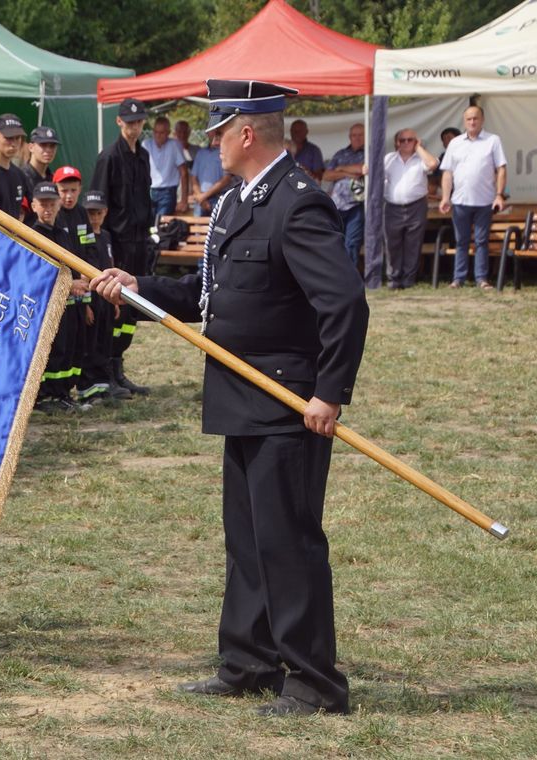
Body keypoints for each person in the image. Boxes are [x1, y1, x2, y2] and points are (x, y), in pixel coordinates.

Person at [92, 79, 368, 717]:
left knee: (288, 539)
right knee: (247, 538)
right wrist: (143, 288)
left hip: (286, 402)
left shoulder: (298, 204)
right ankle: (247, 662)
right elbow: (211, 296)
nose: (211, 143)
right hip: (240, 394)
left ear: (246, 132)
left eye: (217, 132)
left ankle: (314, 683)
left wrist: (329, 393)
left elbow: (345, 303)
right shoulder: (237, 202)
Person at [90, 97, 152, 396]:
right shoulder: (109, 157)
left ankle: (118, 367)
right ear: (118, 122)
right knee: (113, 309)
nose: (134, 128)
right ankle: (105, 373)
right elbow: (97, 203)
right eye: (129, 123)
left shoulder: (143, 155)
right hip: (117, 244)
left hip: (140, 242)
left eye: (138, 122)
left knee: (131, 312)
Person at [54, 167, 123, 404]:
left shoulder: (82, 214)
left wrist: (89, 282)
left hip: (83, 289)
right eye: (63, 191)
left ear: (80, 190)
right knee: (64, 345)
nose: (68, 196)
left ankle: (83, 390)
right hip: (62, 290)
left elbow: (88, 251)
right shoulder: (56, 215)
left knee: (81, 342)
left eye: (73, 190)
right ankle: (57, 394)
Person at [30, 181, 85, 412]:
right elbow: (36, 274)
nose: (47, 209)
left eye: (51, 204)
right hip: (47, 306)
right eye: (43, 204)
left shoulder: (61, 232)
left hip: (69, 304)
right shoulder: (33, 234)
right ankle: (45, 396)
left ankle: (62, 392)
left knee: (67, 350)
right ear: (33, 206)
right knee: (51, 352)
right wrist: (69, 285)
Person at [439, 105, 507, 290]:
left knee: (481, 241)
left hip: (485, 201)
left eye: (475, 118)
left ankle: (481, 279)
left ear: (482, 120)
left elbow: (501, 168)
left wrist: (499, 195)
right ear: (464, 121)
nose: (472, 122)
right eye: (469, 119)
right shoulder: (455, 143)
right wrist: (445, 197)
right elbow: (447, 173)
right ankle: (458, 279)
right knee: (460, 241)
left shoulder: (493, 140)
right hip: (460, 200)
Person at [383, 129, 438, 289]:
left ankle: (408, 280)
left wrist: (419, 148)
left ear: (416, 141)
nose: (406, 143)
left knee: (413, 244)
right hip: (392, 206)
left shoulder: (421, 158)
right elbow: (376, 174)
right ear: (396, 143)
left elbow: (433, 164)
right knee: (392, 244)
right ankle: (394, 279)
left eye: (410, 140)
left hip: (416, 205)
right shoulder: (389, 159)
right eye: (402, 140)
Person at [323, 123, 366, 267]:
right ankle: (335, 275)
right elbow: (327, 175)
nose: (357, 138)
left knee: (352, 242)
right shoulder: (340, 153)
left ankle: (350, 278)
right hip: (337, 204)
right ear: (349, 137)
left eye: (361, 135)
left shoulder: (370, 153)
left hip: (356, 204)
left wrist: (340, 168)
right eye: (354, 135)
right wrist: (347, 173)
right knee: (335, 241)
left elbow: (363, 169)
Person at [143, 116, 189, 222]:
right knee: (149, 224)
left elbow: (184, 172)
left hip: (168, 192)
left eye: (162, 132)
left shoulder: (174, 145)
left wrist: (184, 200)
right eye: (156, 132)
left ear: (168, 133)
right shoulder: (146, 144)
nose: (158, 135)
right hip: (149, 190)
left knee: (161, 224)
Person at [189, 131, 233, 215]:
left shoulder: (224, 152)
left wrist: (204, 196)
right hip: (200, 200)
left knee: (217, 227)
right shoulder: (201, 153)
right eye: (210, 131)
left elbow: (226, 179)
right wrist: (200, 196)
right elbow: (193, 177)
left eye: (215, 130)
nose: (213, 133)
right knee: (198, 226)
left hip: (218, 197)